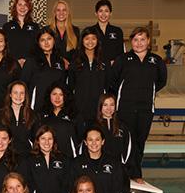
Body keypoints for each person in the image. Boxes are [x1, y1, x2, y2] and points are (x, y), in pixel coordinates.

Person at [111, 26, 167, 182]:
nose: (139, 43)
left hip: (145, 108)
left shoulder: (156, 61)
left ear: (148, 41)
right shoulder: (122, 60)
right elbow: (113, 81)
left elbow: (161, 82)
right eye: (136, 40)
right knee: (126, 141)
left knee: (140, 141)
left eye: (142, 39)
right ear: (131, 42)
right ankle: (124, 172)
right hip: (125, 108)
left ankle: (136, 173)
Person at [71, 126, 130, 193]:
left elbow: (120, 189)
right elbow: (72, 190)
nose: (94, 143)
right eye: (90, 140)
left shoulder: (114, 164)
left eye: (97, 140)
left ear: (103, 142)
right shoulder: (76, 164)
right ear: (85, 142)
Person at [68, 27, 111, 138]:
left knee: (96, 141)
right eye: (87, 38)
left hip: (98, 111)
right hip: (79, 111)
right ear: (82, 41)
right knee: (80, 140)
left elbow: (108, 85)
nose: (90, 42)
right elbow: (70, 86)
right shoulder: (75, 59)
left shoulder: (104, 60)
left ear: (98, 41)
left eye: (93, 38)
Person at [21, 27, 66, 112]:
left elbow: (62, 86)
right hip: (36, 108)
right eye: (42, 40)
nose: (46, 42)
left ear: (54, 40)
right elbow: (24, 85)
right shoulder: (31, 61)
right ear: (38, 43)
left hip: (55, 108)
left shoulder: (60, 61)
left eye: (49, 39)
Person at [96, 93, 140, 181]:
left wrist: (134, 175)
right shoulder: (93, 126)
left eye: (112, 105)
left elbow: (129, 151)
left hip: (118, 171)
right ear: (100, 107)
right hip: (98, 170)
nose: (109, 108)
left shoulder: (123, 127)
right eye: (105, 105)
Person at [0, 81, 38, 157]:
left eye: (22, 93)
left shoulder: (32, 115)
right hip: (5, 157)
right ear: (10, 94)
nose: (19, 96)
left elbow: (37, 139)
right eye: (15, 93)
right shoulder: (0, 115)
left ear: (25, 95)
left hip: (26, 157)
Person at [38, 82, 78, 158]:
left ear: (66, 96)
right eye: (54, 94)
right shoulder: (41, 115)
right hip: (45, 158)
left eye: (61, 94)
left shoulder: (74, 115)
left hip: (67, 159)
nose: (57, 98)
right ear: (49, 95)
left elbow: (78, 139)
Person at [2, 0, 40, 67]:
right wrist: (16, 61)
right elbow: (4, 48)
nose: (22, 7)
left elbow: (38, 48)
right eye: (20, 4)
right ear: (15, 7)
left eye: (25, 5)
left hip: (30, 66)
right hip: (11, 65)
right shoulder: (7, 26)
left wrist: (27, 61)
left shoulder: (35, 27)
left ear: (29, 8)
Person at [89, 0, 125, 64]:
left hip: (113, 69)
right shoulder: (90, 30)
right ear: (96, 13)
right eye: (100, 11)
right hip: (95, 69)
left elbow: (121, 54)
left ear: (110, 13)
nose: (103, 14)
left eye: (106, 11)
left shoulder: (117, 31)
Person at [48, 1, 80, 67]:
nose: (61, 13)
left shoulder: (75, 30)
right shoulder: (47, 30)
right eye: (58, 10)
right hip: (52, 69)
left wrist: (71, 64)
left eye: (64, 10)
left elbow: (78, 52)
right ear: (54, 12)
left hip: (71, 70)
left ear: (68, 13)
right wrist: (61, 60)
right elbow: (43, 52)